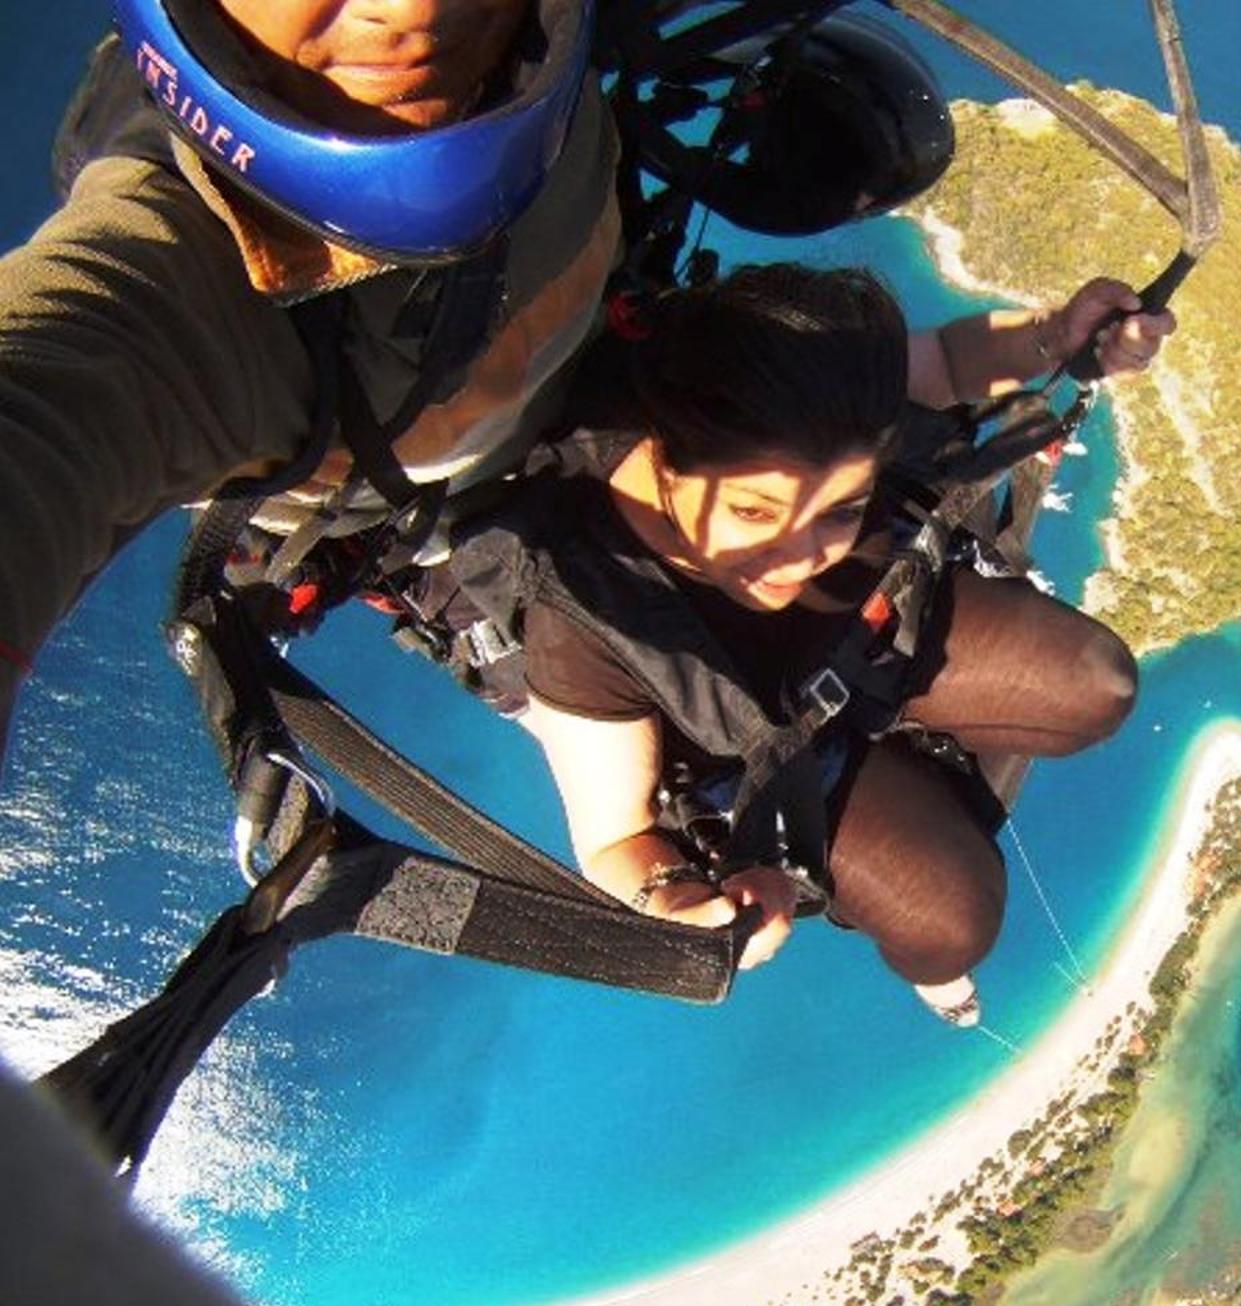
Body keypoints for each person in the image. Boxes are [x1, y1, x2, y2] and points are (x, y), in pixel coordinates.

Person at [0, 0, 956, 764]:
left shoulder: (538, 38)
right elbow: (52, 390)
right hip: (481, 538)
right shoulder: (180, 265)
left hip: (636, 414)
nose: (407, 7)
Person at [454, 261, 1172, 1022]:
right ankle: (920, 927)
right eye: (757, 514)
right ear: (665, 457)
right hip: (759, 743)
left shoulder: (819, 402)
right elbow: (615, 840)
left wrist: (1060, 336)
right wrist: (677, 903)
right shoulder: (582, 614)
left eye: (840, 511)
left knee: (1100, 686)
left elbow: (958, 364)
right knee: (949, 926)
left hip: (870, 626)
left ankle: (909, 763)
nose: (798, 559)